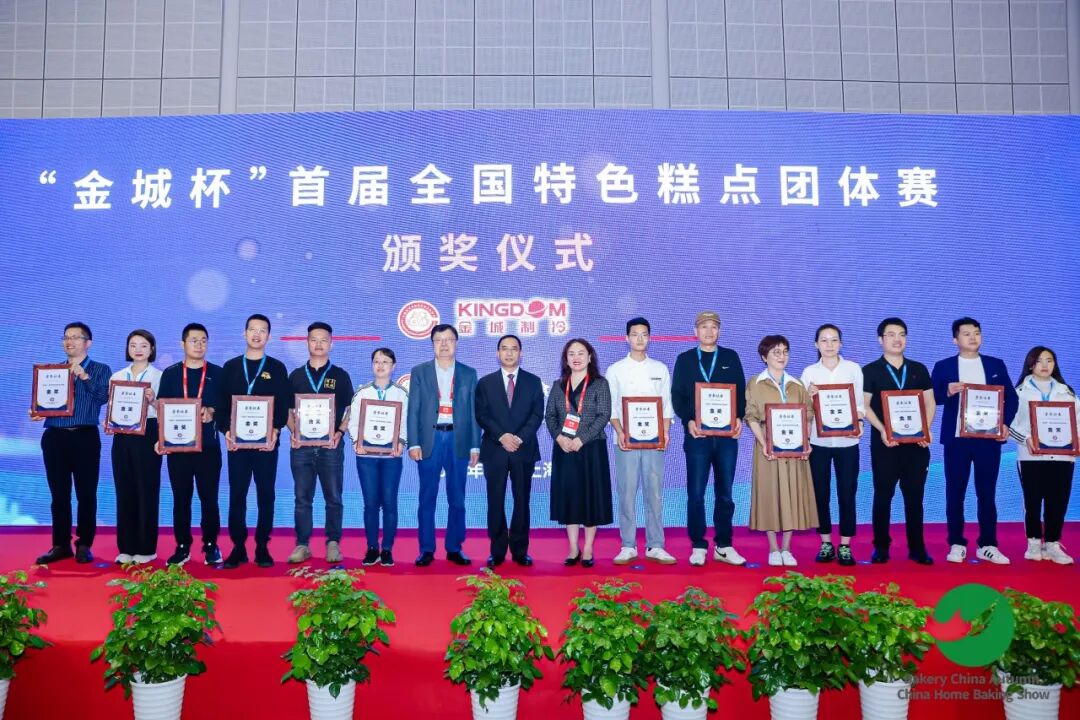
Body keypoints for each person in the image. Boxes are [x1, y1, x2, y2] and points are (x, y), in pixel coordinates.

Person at [931, 317, 1018, 565]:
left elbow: (1011, 398)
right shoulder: (944, 366)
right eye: (966, 333)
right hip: (956, 440)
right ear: (955, 339)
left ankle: (988, 544)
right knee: (955, 492)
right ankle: (956, 543)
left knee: (987, 493)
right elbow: (931, 396)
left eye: (977, 333)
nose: (972, 337)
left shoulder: (995, 364)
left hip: (988, 440)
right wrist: (947, 391)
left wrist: (1005, 424)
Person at [671, 310, 747, 567]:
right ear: (695, 331)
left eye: (713, 327)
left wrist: (739, 417)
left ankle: (724, 545)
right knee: (696, 493)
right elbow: (677, 396)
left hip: (726, 438)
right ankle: (698, 545)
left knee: (725, 494)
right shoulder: (685, 360)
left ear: (719, 331)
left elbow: (740, 393)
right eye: (704, 327)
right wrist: (688, 420)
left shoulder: (730, 357)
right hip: (697, 437)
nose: (709, 331)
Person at [32, 322, 112, 565]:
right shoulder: (53, 371)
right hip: (54, 436)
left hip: (85, 436)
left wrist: (84, 376)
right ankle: (60, 544)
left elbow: (103, 397)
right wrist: (37, 411)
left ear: (88, 343)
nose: (70, 341)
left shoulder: (100, 369)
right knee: (59, 494)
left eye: (76, 337)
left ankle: (84, 544)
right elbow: (46, 402)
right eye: (66, 337)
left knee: (86, 493)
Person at [217, 313, 292, 569]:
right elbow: (222, 405)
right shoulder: (230, 367)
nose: (257, 334)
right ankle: (238, 547)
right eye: (252, 329)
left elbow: (283, 405)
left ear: (268, 336)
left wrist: (276, 431)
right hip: (237, 445)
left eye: (262, 330)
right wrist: (226, 431)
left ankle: (262, 546)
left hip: (266, 445)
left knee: (266, 494)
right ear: (244, 333)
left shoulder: (277, 368)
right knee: (237, 494)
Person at [406, 324, 481, 567]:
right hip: (431, 439)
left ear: (456, 343)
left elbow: (474, 412)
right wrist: (413, 442)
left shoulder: (469, 373)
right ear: (432, 344)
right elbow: (413, 409)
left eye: (449, 339)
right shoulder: (420, 371)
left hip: (458, 439)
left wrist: (475, 445)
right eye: (439, 340)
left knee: (457, 498)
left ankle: (454, 547)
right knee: (427, 497)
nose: (444, 344)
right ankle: (426, 549)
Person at [862, 317, 935, 565]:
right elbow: (865, 406)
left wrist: (926, 429)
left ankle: (917, 548)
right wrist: (883, 430)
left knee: (915, 498)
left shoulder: (919, 369)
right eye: (891, 334)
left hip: (916, 446)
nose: (897, 339)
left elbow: (929, 402)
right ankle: (881, 547)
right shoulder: (870, 370)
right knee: (883, 496)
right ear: (880, 340)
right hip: (885, 445)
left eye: (902, 334)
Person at [607, 317, 676, 565]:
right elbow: (611, 407)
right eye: (635, 334)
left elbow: (666, 405)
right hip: (625, 440)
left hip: (654, 441)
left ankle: (656, 545)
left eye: (644, 334)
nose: (639, 338)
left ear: (649, 338)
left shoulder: (660, 368)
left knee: (654, 493)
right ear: (626, 338)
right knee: (626, 493)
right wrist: (620, 432)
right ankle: (628, 545)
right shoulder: (615, 370)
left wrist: (665, 432)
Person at [744, 335, 817, 567]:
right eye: (776, 352)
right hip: (767, 447)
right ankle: (773, 549)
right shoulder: (755, 383)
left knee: (792, 494)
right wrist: (764, 442)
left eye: (785, 351)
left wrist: (806, 441)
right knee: (769, 494)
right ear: (764, 357)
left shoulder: (797, 385)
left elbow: (808, 416)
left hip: (795, 449)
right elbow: (751, 416)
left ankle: (786, 548)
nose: (781, 356)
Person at [285, 322, 354, 565]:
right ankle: (302, 544)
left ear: (331, 344)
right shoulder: (295, 376)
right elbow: (287, 411)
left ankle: (333, 542)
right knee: (302, 498)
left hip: (331, 448)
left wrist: (339, 433)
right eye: (314, 339)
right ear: (307, 342)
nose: (318, 344)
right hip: (301, 448)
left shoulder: (340, 376)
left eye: (324, 340)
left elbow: (351, 410)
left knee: (333, 497)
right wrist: (294, 432)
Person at [156, 322, 224, 566]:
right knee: (181, 499)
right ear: (182, 344)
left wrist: (213, 411)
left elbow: (227, 409)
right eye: (194, 340)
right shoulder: (171, 373)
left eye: (204, 340)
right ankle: (182, 546)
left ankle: (211, 545)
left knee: (209, 499)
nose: (199, 344)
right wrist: (161, 439)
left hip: (209, 448)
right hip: (179, 449)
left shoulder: (218, 373)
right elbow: (162, 409)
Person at [475, 335, 545, 567]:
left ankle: (520, 550)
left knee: (522, 501)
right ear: (497, 354)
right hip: (495, 449)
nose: (509, 353)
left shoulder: (533, 382)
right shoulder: (485, 383)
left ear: (520, 353)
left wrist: (518, 438)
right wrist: (502, 436)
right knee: (495, 501)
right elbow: (482, 415)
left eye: (514, 349)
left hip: (523, 449)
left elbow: (537, 415)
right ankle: (496, 551)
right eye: (504, 349)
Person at [799, 324, 864, 566]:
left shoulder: (853, 369)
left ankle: (845, 544)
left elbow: (859, 404)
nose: (829, 345)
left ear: (841, 343)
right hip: (818, 442)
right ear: (816, 344)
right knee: (821, 493)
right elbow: (803, 410)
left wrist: (858, 421)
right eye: (824, 340)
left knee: (847, 493)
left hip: (848, 442)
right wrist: (808, 395)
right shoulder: (809, 372)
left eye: (834, 340)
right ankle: (826, 542)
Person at [545, 338, 613, 568]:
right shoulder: (558, 385)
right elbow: (550, 416)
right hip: (565, 449)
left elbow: (603, 415)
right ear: (566, 359)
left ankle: (588, 548)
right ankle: (573, 547)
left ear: (590, 357)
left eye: (581, 353)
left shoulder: (600, 383)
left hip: (591, 448)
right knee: (570, 498)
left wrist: (581, 439)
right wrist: (559, 438)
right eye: (571, 353)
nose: (576, 357)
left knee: (590, 498)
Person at [1008, 346, 1078, 565]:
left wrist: (1077, 441)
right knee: (1033, 500)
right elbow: (1009, 424)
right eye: (1039, 361)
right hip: (1031, 456)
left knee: (1058, 500)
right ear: (1030, 365)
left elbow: (1077, 421)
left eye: (1049, 360)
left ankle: (1053, 543)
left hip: (1063, 456)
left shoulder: (1067, 392)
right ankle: (1034, 542)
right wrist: (1026, 439)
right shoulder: (1019, 392)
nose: (1045, 365)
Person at [348, 347, 408, 567]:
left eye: (385, 362)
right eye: (376, 361)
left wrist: (401, 442)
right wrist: (357, 442)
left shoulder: (401, 394)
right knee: (371, 504)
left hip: (392, 457)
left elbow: (406, 421)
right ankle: (372, 547)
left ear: (393, 366)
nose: (380, 365)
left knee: (390, 503)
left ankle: (388, 549)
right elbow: (353, 422)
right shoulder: (362, 393)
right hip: (366, 457)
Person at [107, 330, 163, 564]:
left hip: (148, 434)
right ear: (127, 349)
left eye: (143, 345)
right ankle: (126, 547)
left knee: (146, 490)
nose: (138, 349)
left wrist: (153, 400)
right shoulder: (117, 376)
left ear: (152, 349)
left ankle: (147, 548)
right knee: (124, 490)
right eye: (133, 345)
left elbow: (166, 410)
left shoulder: (160, 376)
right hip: (122, 436)